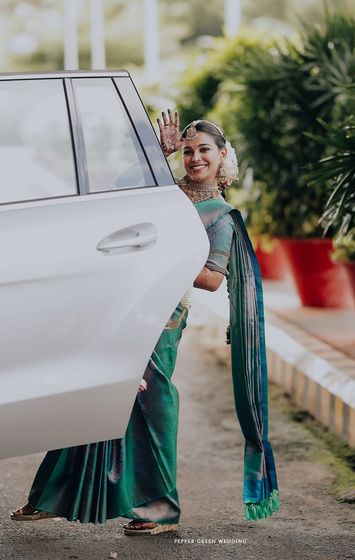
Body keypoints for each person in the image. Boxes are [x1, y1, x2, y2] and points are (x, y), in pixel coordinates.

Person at [11, 111, 279, 534]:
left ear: (223, 155)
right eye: (188, 151)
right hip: (124, 305)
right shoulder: (168, 193)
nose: (194, 158)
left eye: (203, 150)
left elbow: (211, 278)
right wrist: (158, 152)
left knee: (152, 406)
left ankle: (160, 511)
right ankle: (54, 495)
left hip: (165, 318)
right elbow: (122, 190)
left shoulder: (221, 215)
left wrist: (169, 248)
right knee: (95, 393)